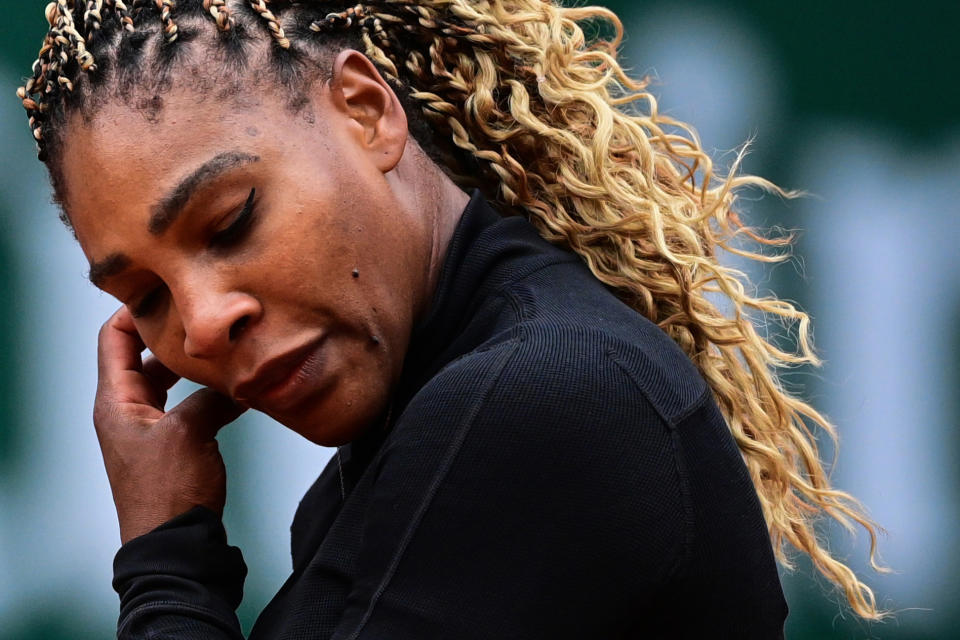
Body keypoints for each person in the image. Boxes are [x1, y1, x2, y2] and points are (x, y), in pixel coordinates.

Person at [17, 0, 891, 637]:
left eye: (233, 218)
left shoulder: (542, 400)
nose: (201, 327)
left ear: (367, 112)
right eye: (147, 299)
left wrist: (167, 563)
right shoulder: (453, 414)